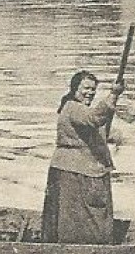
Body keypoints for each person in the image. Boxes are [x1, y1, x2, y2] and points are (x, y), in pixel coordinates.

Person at [42, 70, 124, 244]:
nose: (90, 92)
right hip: (74, 173)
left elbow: (97, 127)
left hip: (83, 171)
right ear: (74, 89)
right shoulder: (72, 107)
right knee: (79, 222)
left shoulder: (81, 110)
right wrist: (113, 94)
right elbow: (95, 118)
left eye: (93, 89)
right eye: (86, 88)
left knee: (88, 219)